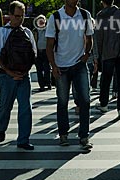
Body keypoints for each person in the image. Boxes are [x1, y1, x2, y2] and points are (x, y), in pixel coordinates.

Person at [46, 0, 94, 149]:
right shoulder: (56, 17)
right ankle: (63, 134)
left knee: (85, 100)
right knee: (62, 101)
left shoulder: (85, 15)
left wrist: (87, 54)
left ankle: (84, 136)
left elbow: (89, 37)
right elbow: (49, 44)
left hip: (79, 65)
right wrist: (53, 66)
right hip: (61, 66)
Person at [0, 1, 36, 150]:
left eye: (22, 16)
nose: (19, 19)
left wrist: (23, 73)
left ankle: (23, 140)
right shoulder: (2, 32)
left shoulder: (28, 33)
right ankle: (1, 127)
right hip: (6, 76)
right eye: (17, 16)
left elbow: (33, 55)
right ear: (10, 15)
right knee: (5, 106)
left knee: (26, 108)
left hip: (24, 76)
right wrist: (11, 73)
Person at [94, 0, 120, 119]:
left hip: (107, 52)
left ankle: (104, 104)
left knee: (105, 80)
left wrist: (98, 55)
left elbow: (98, 37)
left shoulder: (100, 15)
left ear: (102, 2)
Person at [32, 14, 51, 92]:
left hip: (46, 52)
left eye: (42, 20)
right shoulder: (34, 31)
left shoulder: (48, 30)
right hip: (38, 52)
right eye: (39, 20)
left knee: (47, 68)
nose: (41, 22)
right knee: (39, 69)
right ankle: (41, 85)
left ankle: (48, 83)